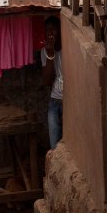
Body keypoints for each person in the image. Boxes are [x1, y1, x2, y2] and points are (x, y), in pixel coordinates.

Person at [41, 16, 63, 149]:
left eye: (53, 30)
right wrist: (50, 56)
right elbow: (47, 81)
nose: (50, 34)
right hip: (55, 102)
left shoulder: (68, 47)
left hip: (69, 102)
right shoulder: (45, 51)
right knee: (54, 146)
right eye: (47, 31)